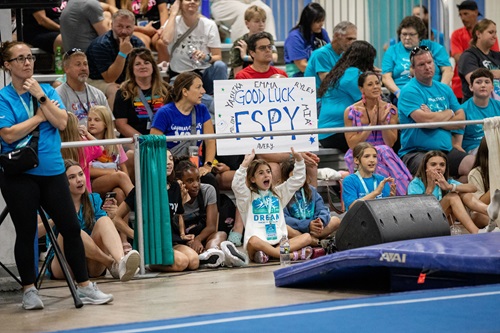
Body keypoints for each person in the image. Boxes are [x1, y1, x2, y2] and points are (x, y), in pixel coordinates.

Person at [0, 41, 113, 310]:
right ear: (7, 65)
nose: (27, 63)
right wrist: (40, 119)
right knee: (26, 232)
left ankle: (85, 286)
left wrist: (40, 97)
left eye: (30, 57)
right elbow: (7, 134)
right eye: (20, 59)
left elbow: (63, 123)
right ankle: (29, 290)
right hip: (19, 174)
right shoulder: (4, 98)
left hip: (52, 171)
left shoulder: (48, 90)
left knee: (71, 228)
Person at [48, 159, 140, 282]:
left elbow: (105, 230)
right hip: (64, 265)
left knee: (104, 220)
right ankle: (111, 264)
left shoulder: (93, 199)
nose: (79, 180)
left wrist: (113, 215)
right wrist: (55, 220)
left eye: (81, 174)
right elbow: (35, 231)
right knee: (73, 231)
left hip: (93, 264)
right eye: (72, 177)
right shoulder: (53, 203)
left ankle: (120, 261)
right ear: (63, 182)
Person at [114, 150, 200, 272]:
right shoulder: (143, 188)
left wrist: (182, 233)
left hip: (170, 240)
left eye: (170, 159)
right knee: (182, 262)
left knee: (194, 261)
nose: (169, 163)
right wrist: (136, 235)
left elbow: (179, 213)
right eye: (164, 159)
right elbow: (116, 218)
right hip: (152, 244)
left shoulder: (175, 186)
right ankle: (148, 263)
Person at [397, 46, 473, 181]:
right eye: (421, 64)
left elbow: (461, 120)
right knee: (433, 171)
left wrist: (434, 119)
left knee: (475, 167)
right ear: (413, 69)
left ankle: (451, 196)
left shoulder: (444, 89)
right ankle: (449, 198)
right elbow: (426, 121)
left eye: (429, 62)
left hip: (446, 151)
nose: (427, 67)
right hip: (417, 152)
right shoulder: (409, 91)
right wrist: (449, 113)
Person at [232, 148, 312, 264]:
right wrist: (245, 163)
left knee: (307, 237)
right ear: (252, 179)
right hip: (258, 245)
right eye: (261, 173)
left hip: (279, 242)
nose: (266, 175)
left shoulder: (278, 193)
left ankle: (271, 255)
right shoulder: (247, 196)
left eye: (268, 172)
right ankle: (288, 255)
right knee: (253, 241)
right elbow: (237, 185)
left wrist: (299, 159)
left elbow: (297, 180)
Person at [343, 72, 412, 196]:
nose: (375, 87)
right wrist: (371, 126)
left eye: (377, 83)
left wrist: (382, 123)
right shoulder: (351, 111)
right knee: (378, 154)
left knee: (383, 150)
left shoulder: (391, 110)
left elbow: (390, 143)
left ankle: (399, 196)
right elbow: (352, 145)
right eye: (370, 84)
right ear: (361, 89)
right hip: (360, 153)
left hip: (384, 154)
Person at [175, 158, 248, 268]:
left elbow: (212, 226)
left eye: (198, 179)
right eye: (190, 181)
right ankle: (221, 258)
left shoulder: (208, 190)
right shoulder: (172, 196)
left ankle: (212, 253)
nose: (196, 185)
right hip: (182, 240)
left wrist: (198, 240)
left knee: (221, 234)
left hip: (202, 236)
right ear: (179, 182)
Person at [407, 150, 499, 234]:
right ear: (425, 167)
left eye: (442, 165)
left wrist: (450, 186)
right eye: (433, 164)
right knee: (452, 197)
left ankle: (487, 209)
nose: (438, 168)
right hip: (424, 223)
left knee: (460, 191)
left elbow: (473, 188)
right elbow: (417, 211)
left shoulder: (446, 181)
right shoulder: (416, 183)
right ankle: (475, 231)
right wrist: (430, 189)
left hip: (444, 221)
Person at [150, 72, 215, 179]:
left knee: (209, 179)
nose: (204, 91)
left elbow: (210, 140)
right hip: (171, 168)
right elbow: (154, 146)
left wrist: (207, 165)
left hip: (194, 166)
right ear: (185, 91)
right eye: (198, 87)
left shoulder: (202, 109)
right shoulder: (164, 113)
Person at [317, 40, 376, 153]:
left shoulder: (339, 72)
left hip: (325, 133)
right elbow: (371, 102)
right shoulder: (354, 74)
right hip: (336, 132)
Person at [161, 0, 227, 100]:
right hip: (181, 76)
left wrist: (206, 57)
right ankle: (215, 103)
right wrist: (173, 13)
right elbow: (166, 39)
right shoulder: (172, 22)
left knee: (220, 66)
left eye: (195, 0)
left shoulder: (209, 24)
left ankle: (220, 99)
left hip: (203, 74)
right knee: (200, 99)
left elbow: (218, 56)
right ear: (180, 3)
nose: (192, 2)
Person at [381, 16, 452, 105]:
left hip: (433, 93)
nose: (407, 38)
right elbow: (386, 77)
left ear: (420, 35)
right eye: (404, 34)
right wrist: (398, 93)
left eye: (411, 34)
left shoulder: (435, 48)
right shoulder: (392, 51)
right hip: (404, 94)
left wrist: (441, 90)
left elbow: (448, 71)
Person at [86, 9, 145, 109]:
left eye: (128, 27)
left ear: (134, 27)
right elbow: (110, 78)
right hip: (95, 80)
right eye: (120, 26)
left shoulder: (138, 44)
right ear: (112, 25)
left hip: (124, 80)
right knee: (116, 90)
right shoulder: (101, 44)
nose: (124, 31)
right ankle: (110, 123)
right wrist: (123, 53)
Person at [281, 156, 340, 246]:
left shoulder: (311, 190)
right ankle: (313, 241)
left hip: (314, 229)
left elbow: (322, 209)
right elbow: (284, 218)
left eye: (301, 175)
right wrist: (307, 225)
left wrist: (320, 221)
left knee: (335, 220)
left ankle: (310, 240)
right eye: (294, 176)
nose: (298, 179)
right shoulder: (282, 193)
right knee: (285, 228)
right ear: (286, 178)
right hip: (297, 229)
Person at [451, 0, 499, 102]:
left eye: (466, 14)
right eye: (461, 15)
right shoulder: (457, 35)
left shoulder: (492, 45)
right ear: (478, 34)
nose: (463, 18)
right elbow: (459, 58)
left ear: (476, 13)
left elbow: (492, 56)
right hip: (461, 88)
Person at [87, 105, 134, 204]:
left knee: (119, 193)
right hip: (92, 183)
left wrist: (117, 174)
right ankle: (140, 205)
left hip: (113, 180)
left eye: (96, 120)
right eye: (89, 120)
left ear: (106, 124)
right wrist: (111, 172)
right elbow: (88, 170)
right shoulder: (85, 142)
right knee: (120, 176)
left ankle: (118, 220)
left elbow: (123, 168)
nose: (91, 123)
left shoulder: (115, 143)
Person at [56, 48, 110, 123]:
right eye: (78, 64)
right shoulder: (58, 95)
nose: (83, 68)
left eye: (85, 64)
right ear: (66, 69)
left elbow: (109, 123)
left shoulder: (98, 94)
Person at [453, 68, 500, 154]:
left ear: (492, 87)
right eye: (478, 82)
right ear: (471, 87)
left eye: (487, 82)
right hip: (474, 151)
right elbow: (457, 145)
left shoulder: (498, 105)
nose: (483, 85)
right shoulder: (462, 110)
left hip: (496, 145)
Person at [342, 143, 396, 211]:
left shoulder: (381, 179)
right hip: (358, 220)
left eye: (374, 156)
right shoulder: (349, 180)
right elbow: (352, 207)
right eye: (367, 156)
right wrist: (375, 193)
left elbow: (387, 209)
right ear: (356, 160)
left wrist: (391, 198)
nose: (372, 160)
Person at [228, 5, 278, 79]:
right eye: (257, 21)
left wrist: (246, 57)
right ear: (247, 23)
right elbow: (237, 73)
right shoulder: (240, 42)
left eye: (263, 21)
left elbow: (274, 57)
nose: (261, 24)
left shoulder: (268, 38)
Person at [304, 21, 357, 89]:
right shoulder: (321, 54)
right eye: (349, 39)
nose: (352, 43)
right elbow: (328, 82)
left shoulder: (345, 54)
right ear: (336, 36)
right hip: (321, 98)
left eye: (354, 39)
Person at [458, 19, 500, 102]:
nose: (495, 36)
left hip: (496, 106)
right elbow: (476, 81)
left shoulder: (497, 55)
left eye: (495, 33)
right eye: (491, 32)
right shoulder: (468, 56)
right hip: (476, 108)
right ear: (478, 34)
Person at [284, 2, 330, 78]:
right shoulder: (295, 37)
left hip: (318, 73)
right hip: (299, 76)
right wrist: (324, 71)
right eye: (318, 21)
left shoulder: (322, 33)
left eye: (322, 20)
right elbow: (302, 66)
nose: (321, 24)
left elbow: (330, 54)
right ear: (308, 21)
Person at [60, 113, 102, 193]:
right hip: (84, 192)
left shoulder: (56, 147)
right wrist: (87, 134)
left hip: (65, 193)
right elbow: (101, 148)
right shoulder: (83, 144)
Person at [211, 0, 276, 42]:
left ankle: (270, 45)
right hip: (223, 2)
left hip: (249, 1)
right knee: (246, 12)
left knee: (267, 10)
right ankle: (242, 47)